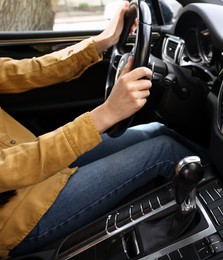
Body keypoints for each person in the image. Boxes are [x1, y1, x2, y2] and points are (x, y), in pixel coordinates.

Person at [0, 2, 206, 258]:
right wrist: (106, 114)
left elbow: (26, 72)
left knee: (157, 130)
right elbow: (9, 169)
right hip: (18, 214)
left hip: (36, 164)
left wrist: (102, 41)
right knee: (164, 151)